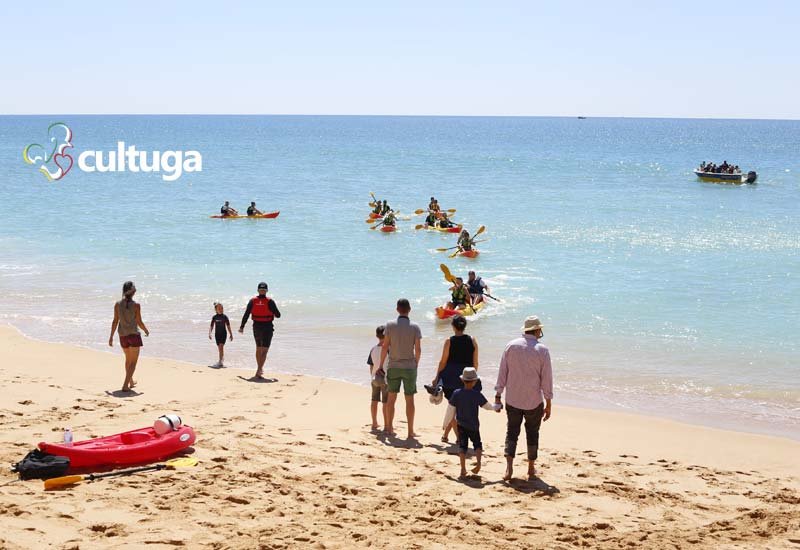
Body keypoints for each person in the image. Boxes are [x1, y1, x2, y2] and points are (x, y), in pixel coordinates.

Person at [494, 316, 553, 481]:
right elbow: (546, 379)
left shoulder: (511, 346)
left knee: (511, 432)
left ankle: (509, 468)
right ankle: (531, 468)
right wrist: (548, 403)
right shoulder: (542, 350)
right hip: (534, 401)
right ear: (537, 330)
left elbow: (502, 373)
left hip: (512, 398)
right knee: (532, 433)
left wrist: (498, 395)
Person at [443, 368, 501, 478]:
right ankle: (478, 464)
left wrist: (445, 423)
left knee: (462, 447)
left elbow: (450, 410)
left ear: (462, 380)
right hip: (474, 426)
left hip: (461, 425)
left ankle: (463, 469)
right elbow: (487, 406)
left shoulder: (456, 393)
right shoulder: (477, 394)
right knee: (477, 445)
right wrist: (497, 407)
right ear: (475, 382)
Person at [430, 315, 479, 442]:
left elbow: (442, 362)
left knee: (453, 408)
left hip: (450, 379)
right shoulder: (472, 340)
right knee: (459, 409)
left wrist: (436, 378)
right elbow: (476, 363)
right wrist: (472, 379)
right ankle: (448, 435)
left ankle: (459, 438)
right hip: (466, 377)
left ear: (452, 326)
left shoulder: (449, 341)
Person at [378, 298, 422, 438]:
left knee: (391, 399)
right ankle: (410, 431)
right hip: (409, 367)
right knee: (410, 400)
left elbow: (385, 347)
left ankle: (389, 428)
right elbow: (418, 349)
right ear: (409, 309)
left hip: (393, 366)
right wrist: (416, 363)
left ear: (397, 309)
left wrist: (380, 365)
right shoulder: (415, 327)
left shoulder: (390, 325)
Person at [108, 281, 149, 392]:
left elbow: (115, 321)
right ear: (133, 291)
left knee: (128, 360)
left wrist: (111, 336)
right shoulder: (136, 305)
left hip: (123, 336)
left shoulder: (117, 304)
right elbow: (139, 322)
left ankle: (130, 381)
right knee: (133, 362)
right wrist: (146, 330)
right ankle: (125, 385)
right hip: (134, 335)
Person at [238, 282, 281, 379]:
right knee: (264, 349)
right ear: (266, 290)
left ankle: (259, 369)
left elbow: (246, 314)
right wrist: (271, 311)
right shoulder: (270, 301)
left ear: (258, 290)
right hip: (267, 327)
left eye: (262, 289)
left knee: (258, 348)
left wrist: (242, 327)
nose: (262, 291)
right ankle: (259, 369)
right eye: (262, 290)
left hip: (257, 326)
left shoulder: (252, 301)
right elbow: (278, 315)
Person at [366, 325, 389, 431]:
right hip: (385, 378)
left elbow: (371, 365)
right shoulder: (389, 349)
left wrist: (372, 376)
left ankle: (374, 423)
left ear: (377, 336)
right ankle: (386, 425)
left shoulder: (373, 349)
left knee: (374, 401)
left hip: (374, 378)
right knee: (385, 403)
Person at [208, 302, 232, 367]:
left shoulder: (225, 317)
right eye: (219, 308)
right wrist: (210, 333)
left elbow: (228, 326)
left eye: (222, 308)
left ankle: (220, 361)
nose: (221, 309)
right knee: (220, 348)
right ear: (216, 310)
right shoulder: (214, 317)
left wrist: (231, 334)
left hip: (223, 334)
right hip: (217, 334)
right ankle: (222, 360)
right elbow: (211, 326)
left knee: (221, 346)